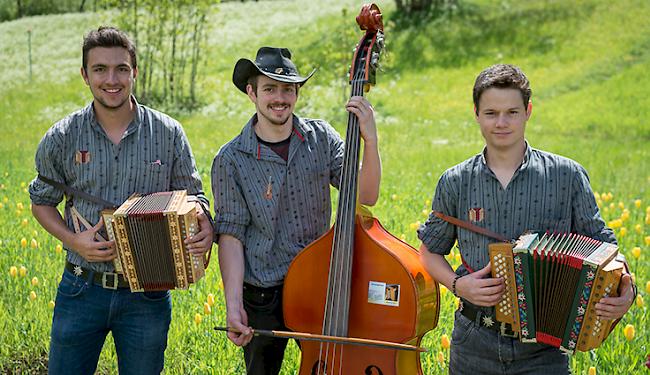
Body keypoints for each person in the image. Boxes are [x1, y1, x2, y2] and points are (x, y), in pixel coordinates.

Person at [417, 64, 636, 374]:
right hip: (473, 341)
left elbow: (607, 249)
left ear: (528, 111)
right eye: (491, 113)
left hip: (544, 350)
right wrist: (458, 284)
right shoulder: (455, 181)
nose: (502, 123)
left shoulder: (567, 176)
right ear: (476, 113)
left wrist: (628, 288)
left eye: (512, 112)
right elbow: (429, 250)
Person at [28, 26, 213, 375]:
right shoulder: (62, 137)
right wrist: (73, 241)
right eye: (100, 69)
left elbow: (195, 197)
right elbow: (41, 202)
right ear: (85, 75)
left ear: (134, 72)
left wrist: (204, 220)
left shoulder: (168, 133)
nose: (111, 79)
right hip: (81, 287)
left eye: (121, 69)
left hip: (148, 294)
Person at [212, 46, 381, 375]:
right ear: (252, 93)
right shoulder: (230, 159)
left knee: (329, 368)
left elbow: (368, 195)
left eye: (287, 89)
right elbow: (231, 235)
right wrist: (233, 306)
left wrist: (370, 141)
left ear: (297, 92)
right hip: (261, 289)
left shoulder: (323, 139)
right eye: (270, 88)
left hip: (319, 284)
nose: (279, 98)